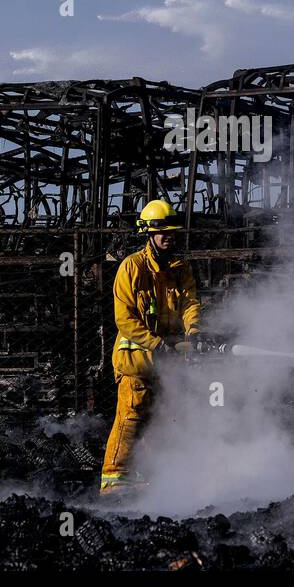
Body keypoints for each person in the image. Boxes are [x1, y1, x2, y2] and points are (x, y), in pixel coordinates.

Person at [99, 199, 202, 494]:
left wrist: (194, 332)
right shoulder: (131, 268)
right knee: (132, 414)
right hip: (135, 359)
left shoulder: (181, 269)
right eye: (162, 232)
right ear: (148, 233)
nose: (168, 236)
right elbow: (124, 319)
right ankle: (113, 480)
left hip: (166, 360)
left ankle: (150, 478)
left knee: (162, 417)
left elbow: (190, 304)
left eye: (172, 232)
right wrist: (156, 344)